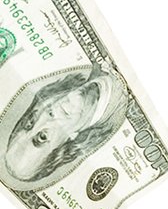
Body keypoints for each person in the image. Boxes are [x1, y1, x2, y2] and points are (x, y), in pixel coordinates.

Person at [0, 61, 131, 195]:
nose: (43, 117)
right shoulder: (117, 109)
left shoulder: (87, 65)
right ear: (64, 149)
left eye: (30, 123)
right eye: (42, 137)